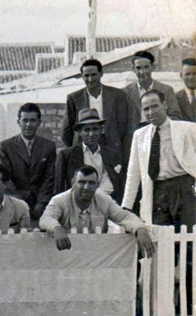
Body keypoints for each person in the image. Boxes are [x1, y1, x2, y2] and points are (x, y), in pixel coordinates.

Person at [41, 166, 154, 257]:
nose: (86, 187)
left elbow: (124, 217)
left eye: (91, 183)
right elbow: (46, 218)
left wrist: (140, 229)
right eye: (81, 182)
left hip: (94, 256)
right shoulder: (60, 200)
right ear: (73, 183)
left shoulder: (103, 200)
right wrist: (56, 227)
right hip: (64, 256)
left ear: (97, 184)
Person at [122, 90, 196, 226]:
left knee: (188, 235)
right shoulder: (140, 135)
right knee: (160, 235)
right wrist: (126, 206)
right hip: (157, 191)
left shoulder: (188, 129)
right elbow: (133, 173)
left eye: (155, 106)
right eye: (146, 109)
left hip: (184, 188)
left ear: (165, 105)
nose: (151, 112)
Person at [62, 59, 133, 167]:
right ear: (82, 76)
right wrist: (77, 148)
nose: (90, 79)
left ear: (101, 74)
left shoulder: (118, 95)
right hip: (85, 147)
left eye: (93, 75)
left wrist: (118, 146)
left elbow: (124, 125)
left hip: (111, 147)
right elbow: (67, 130)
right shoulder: (74, 98)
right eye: (86, 75)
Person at [0, 102, 57, 224]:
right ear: (19, 122)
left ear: (39, 122)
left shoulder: (48, 146)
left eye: (33, 121)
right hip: (14, 202)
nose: (28, 125)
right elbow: (5, 179)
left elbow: (49, 178)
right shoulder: (5, 146)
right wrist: (22, 204)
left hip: (41, 204)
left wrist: (41, 204)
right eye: (25, 120)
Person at [56, 109, 123, 203]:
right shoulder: (66, 155)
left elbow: (113, 184)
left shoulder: (111, 154)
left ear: (101, 130)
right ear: (80, 132)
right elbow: (59, 189)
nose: (91, 134)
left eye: (95, 129)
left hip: (105, 204)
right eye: (87, 130)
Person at [123, 51, 182, 129]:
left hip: (160, 132)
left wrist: (159, 123)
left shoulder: (166, 90)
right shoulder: (125, 92)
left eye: (146, 67)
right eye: (138, 68)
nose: (142, 72)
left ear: (153, 67)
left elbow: (176, 117)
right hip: (135, 136)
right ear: (133, 69)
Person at [175, 58, 196, 122]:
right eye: (187, 74)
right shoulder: (174, 98)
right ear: (181, 75)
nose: (191, 77)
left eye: (195, 74)